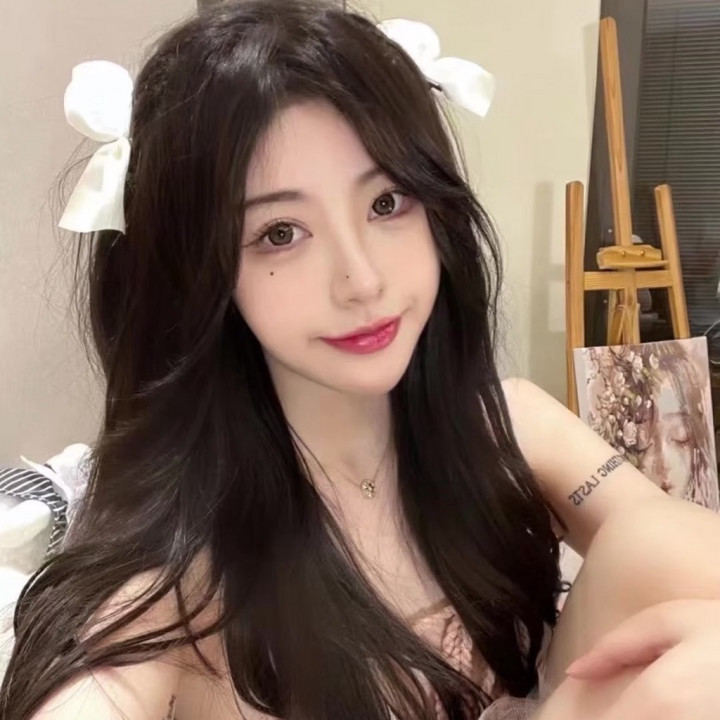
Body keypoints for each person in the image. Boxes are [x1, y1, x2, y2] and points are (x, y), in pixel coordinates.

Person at [3, 2, 720, 719]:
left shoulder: (505, 426)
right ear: (197, 272)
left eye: (386, 202)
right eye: (280, 233)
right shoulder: (179, 573)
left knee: (656, 540)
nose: (362, 280)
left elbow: (676, 555)